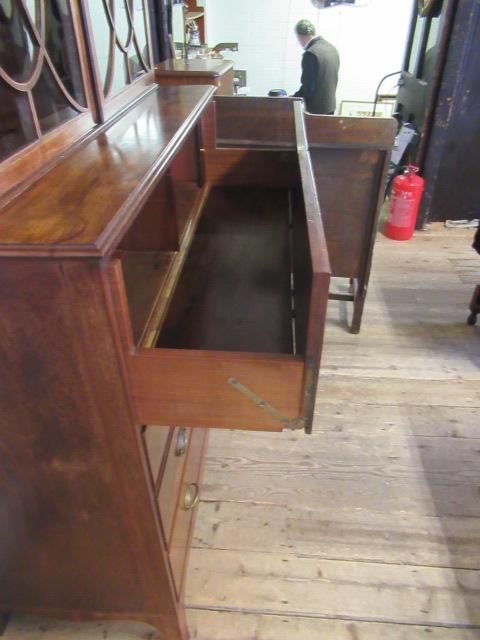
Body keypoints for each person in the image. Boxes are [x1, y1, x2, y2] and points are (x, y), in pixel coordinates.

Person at [293, 19, 340, 115]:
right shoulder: (331, 48)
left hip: (315, 110)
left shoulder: (311, 53)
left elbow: (308, 88)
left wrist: (292, 99)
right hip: (330, 106)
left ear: (300, 36)